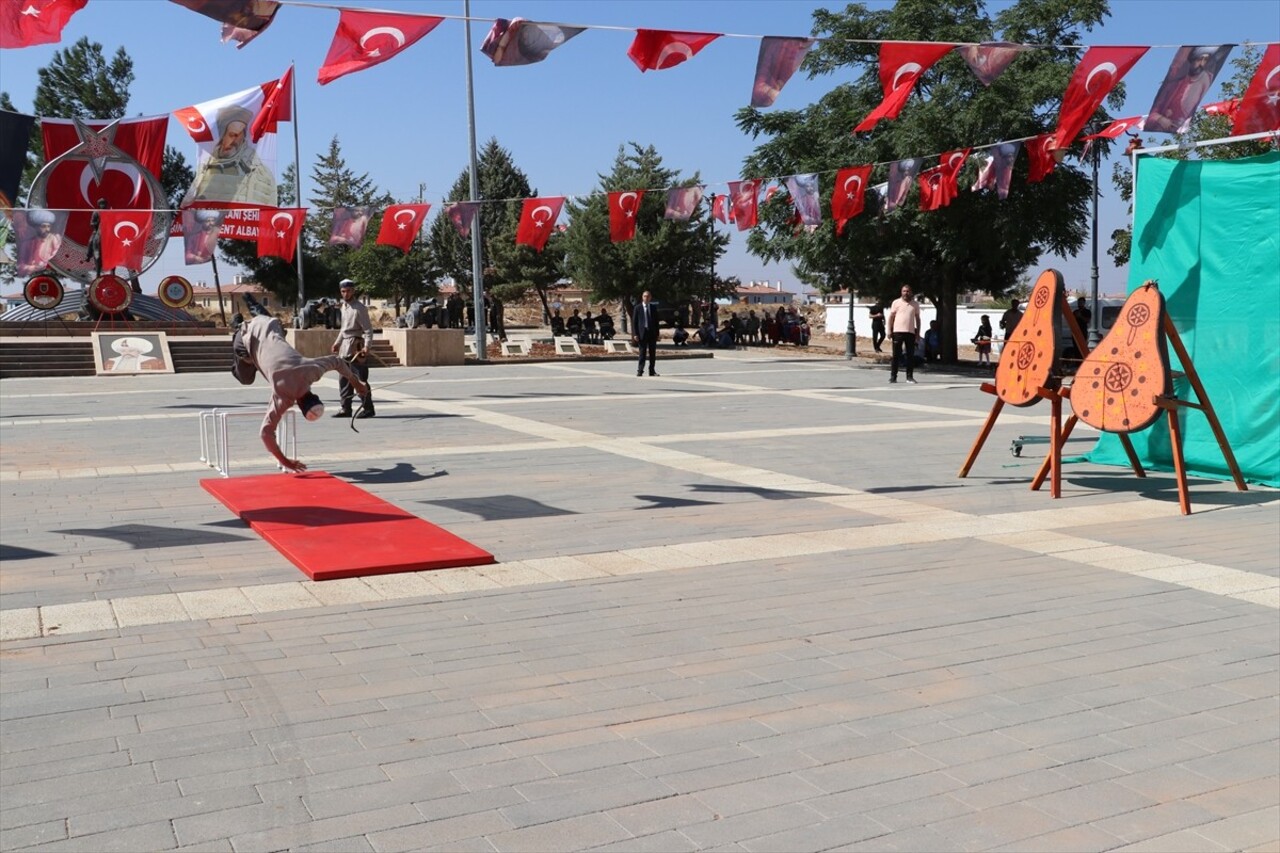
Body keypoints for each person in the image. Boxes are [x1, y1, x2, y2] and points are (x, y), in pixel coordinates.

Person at [231, 311, 368, 472]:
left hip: (272, 324)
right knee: (246, 378)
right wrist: (285, 461)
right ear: (300, 406)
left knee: (275, 336)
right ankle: (236, 327)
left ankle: (256, 317)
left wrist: (356, 383)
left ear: (315, 395)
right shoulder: (283, 398)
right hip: (245, 337)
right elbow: (265, 433)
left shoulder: (311, 372)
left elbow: (337, 361)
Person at [183, 104, 278, 207]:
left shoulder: (263, 175)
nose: (232, 141)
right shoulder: (204, 170)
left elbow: (271, 213)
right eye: (231, 135)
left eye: (237, 135)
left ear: (244, 136)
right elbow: (189, 211)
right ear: (221, 135)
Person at [1147, 46, 1222, 134]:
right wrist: (1160, 119)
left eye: (1205, 60)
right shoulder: (1174, 84)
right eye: (1199, 59)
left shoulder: (1206, 79)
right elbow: (1152, 115)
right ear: (1192, 60)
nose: (1202, 64)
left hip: (1194, 131)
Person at [331, 278, 375, 419]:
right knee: (344, 379)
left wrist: (367, 346)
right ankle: (346, 408)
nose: (346, 294)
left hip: (356, 347)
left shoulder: (360, 308)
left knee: (360, 379)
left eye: (349, 291)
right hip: (344, 347)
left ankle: (368, 409)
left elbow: (368, 330)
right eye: (343, 291)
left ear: (353, 291)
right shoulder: (344, 307)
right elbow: (343, 330)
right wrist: (337, 343)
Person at [887, 284, 921, 384]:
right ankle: (893, 377)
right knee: (896, 355)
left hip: (910, 332)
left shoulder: (915, 304)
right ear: (901, 292)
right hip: (897, 332)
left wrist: (917, 333)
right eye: (904, 291)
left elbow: (917, 319)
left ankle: (909, 377)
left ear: (911, 292)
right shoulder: (896, 302)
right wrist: (889, 330)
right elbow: (891, 317)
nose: (906, 293)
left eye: (908, 291)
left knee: (910, 355)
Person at [16, 209, 63, 276]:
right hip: (31, 275)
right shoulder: (27, 243)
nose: (47, 229)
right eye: (43, 226)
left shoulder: (53, 239)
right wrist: (31, 268)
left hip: (49, 273)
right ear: (36, 227)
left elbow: (57, 258)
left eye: (49, 226)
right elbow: (20, 264)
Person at [632, 290, 659, 376]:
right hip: (642, 333)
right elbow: (634, 322)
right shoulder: (638, 308)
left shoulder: (653, 308)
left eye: (648, 296)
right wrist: (635, 334)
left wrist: (657, 334)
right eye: (644, 296)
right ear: (642, 297)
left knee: (652, 353)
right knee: (642, 353)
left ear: (650, 298)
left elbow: (656, 322)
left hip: (652, 333)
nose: (646, 298)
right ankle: (640, 370)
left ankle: (652, 371)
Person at [85, 198, 108, 278]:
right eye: (101, 204)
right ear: (99, 205)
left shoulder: (109, 212)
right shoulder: (96, 212)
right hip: (97, 230)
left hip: (108, 230)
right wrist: (97, 223)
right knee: (91, 241)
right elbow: (91, 223)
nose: (103, 205)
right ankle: (88, 255)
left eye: (104, 203)